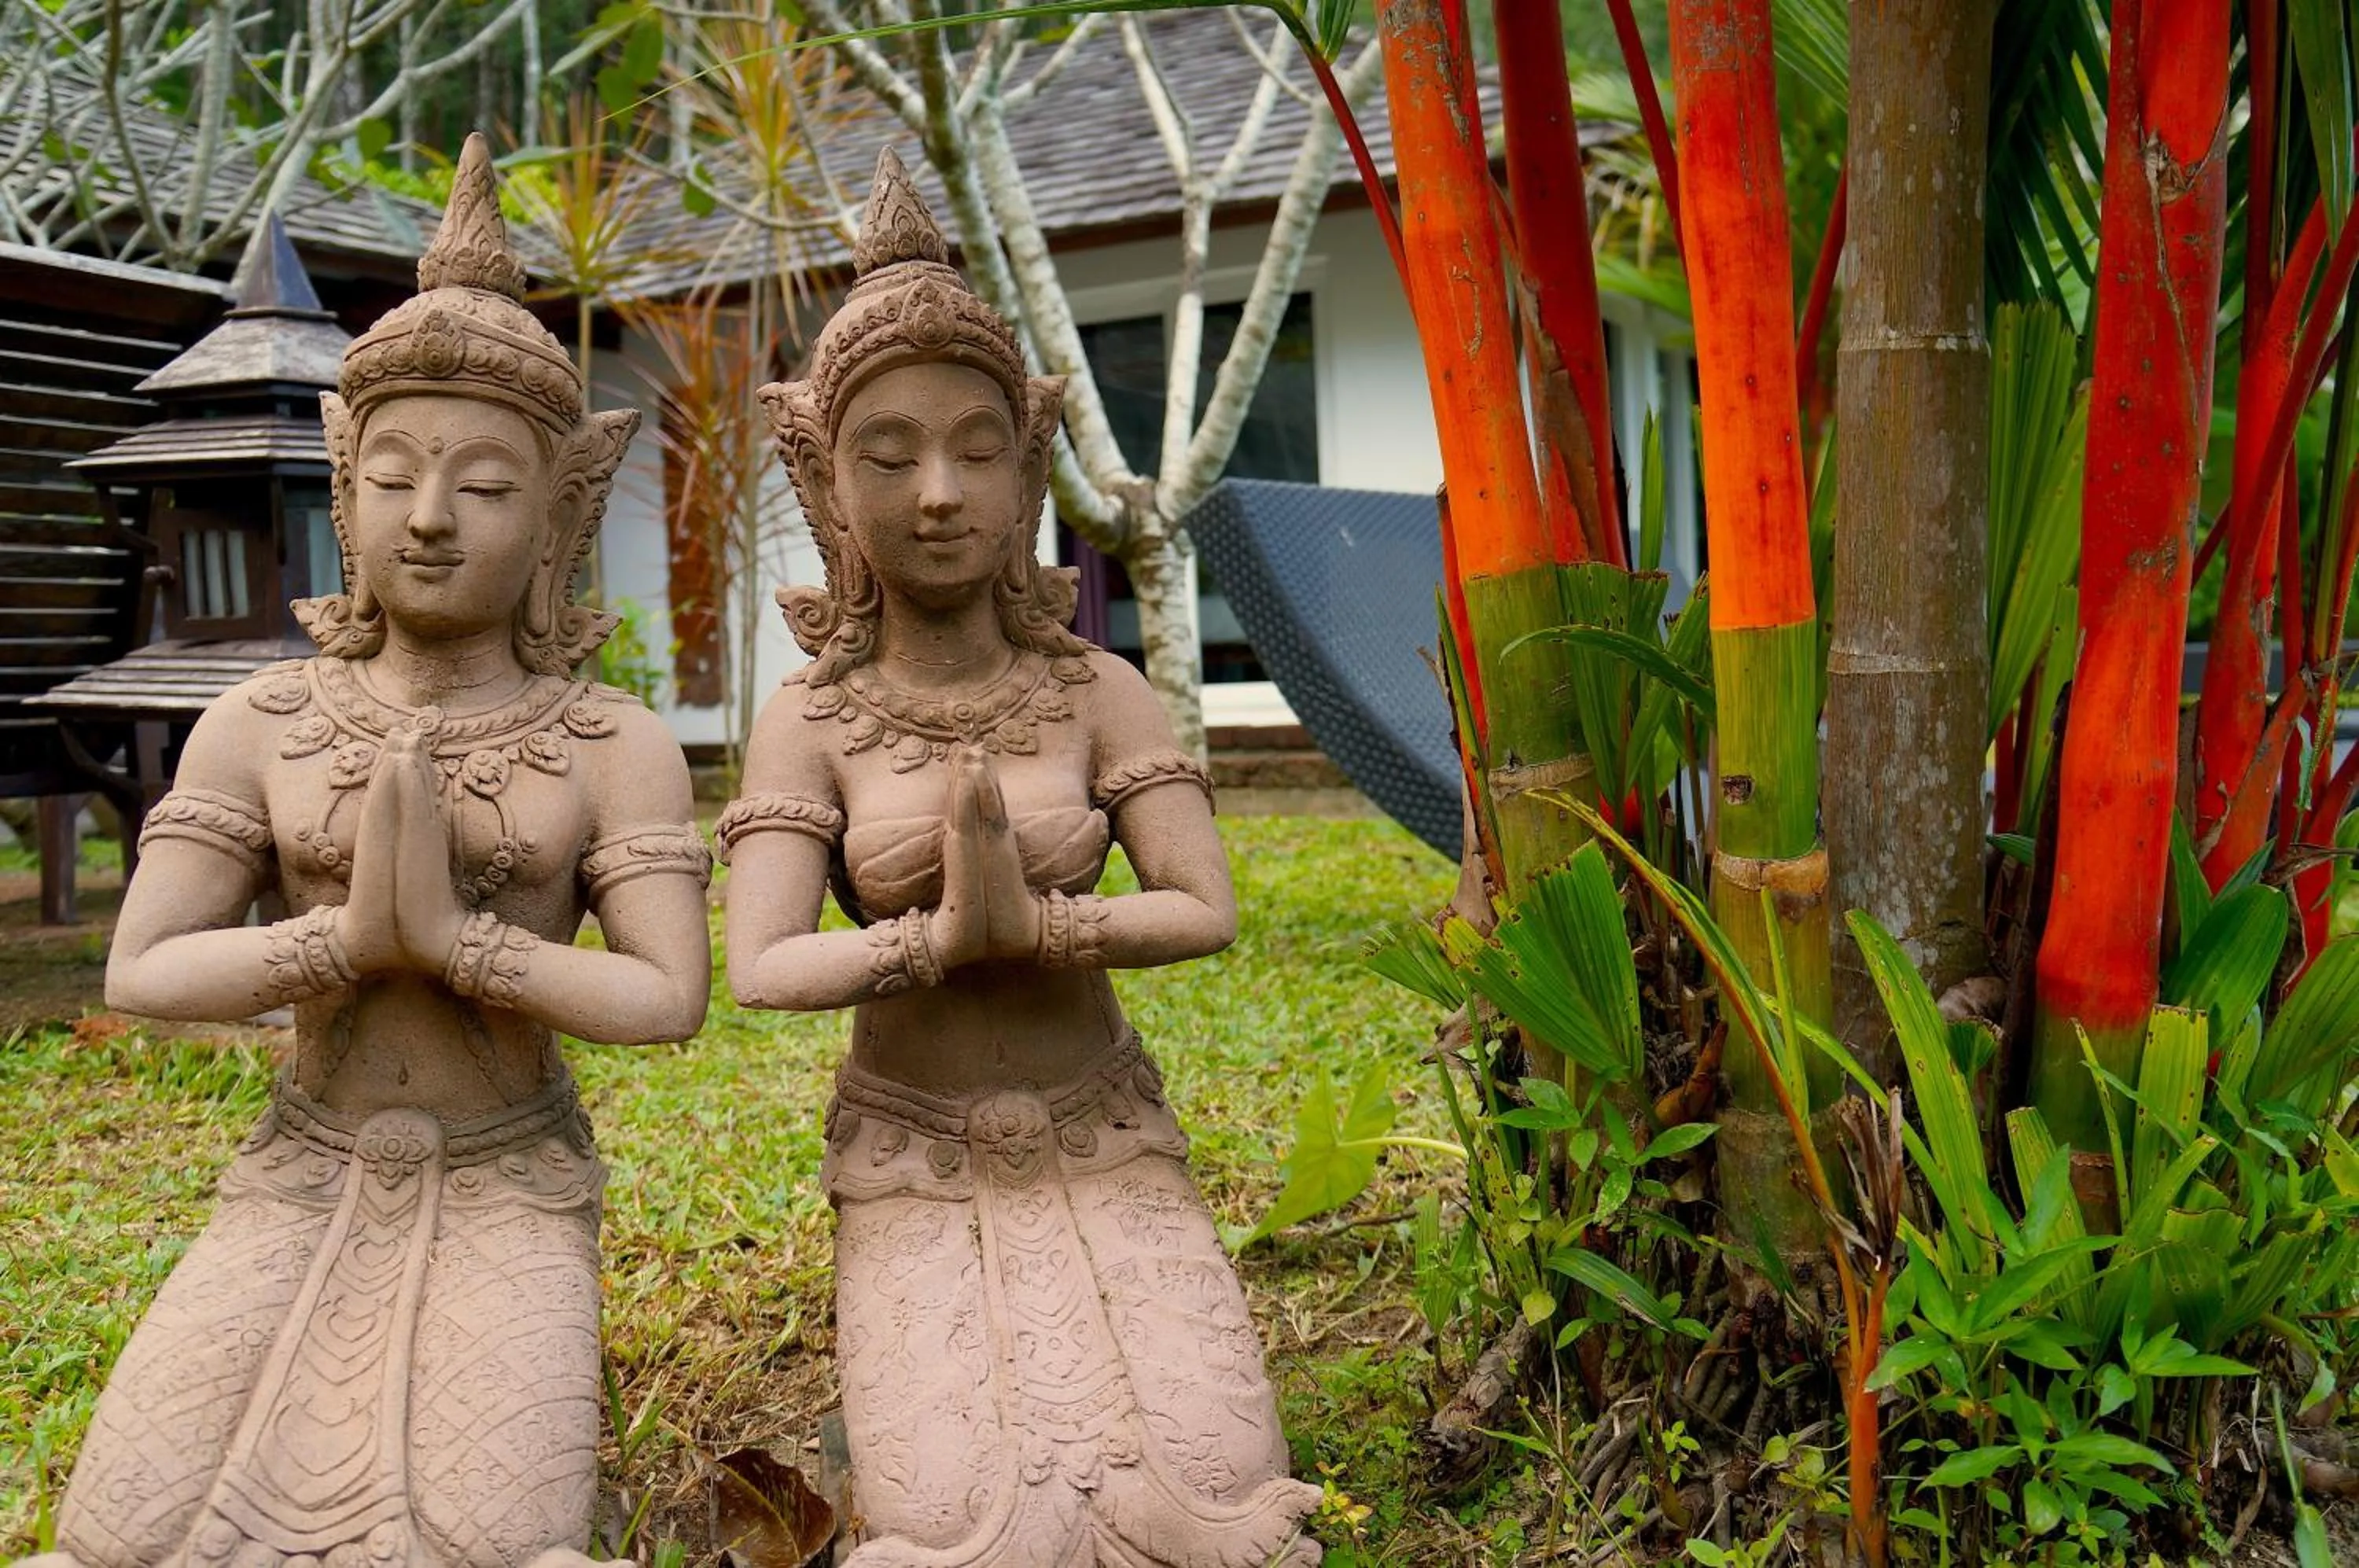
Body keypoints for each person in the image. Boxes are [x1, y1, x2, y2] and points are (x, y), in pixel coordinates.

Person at [34, 135, 711, 1568]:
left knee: (488, 1540)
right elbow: (143, 965)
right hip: (302, 1164)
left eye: (484, 486)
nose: (430, 517)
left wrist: (462, 944)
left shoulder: (612, 741)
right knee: (124, 1536)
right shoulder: (263, 719)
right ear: (346, 495)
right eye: (395, 476)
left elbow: (669, 998)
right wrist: (348, 941)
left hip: (509, 1177)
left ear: (561, 518)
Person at [721, 148, 1320, 1568]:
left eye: (978, 450)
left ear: (1027, 465)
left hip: (1102, 1125)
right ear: (824, 472)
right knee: (955, 1519)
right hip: (913, 1146)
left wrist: (1047, 931)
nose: (938, 491)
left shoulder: (1098, 690)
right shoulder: (809, 719)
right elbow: (756, 961)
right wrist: (933, 942)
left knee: (1217, 1484)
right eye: (890, 454)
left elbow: (1203, 904)